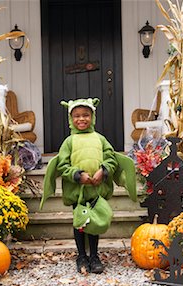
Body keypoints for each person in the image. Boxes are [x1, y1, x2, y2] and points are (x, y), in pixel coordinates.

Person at [40, 98, 137, 274]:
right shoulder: (69, 142)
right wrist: (77, 175)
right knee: (80, 222)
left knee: (94, 222)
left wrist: (104, 171)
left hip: (97, 190)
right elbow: (62, 165)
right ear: (71, 119)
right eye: (76, 116)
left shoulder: (100, 139)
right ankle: (81, 256)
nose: (81, 119)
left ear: (92, 117)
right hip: (77, 191)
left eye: (85, 115)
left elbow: (111, 158)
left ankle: (94, 256)